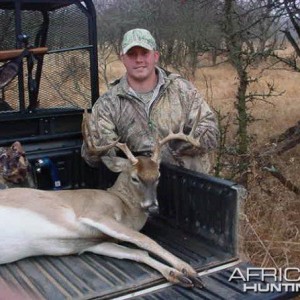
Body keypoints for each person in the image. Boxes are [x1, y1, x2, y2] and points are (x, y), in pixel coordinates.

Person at [82, 28, 219, 173]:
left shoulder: (183, 90)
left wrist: (182, 144)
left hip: (186, 180)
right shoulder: (108, 103)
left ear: (155, 56)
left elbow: (211, 131)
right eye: (132, 54)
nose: (139, 59)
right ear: (122, 58)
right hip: (140, 185)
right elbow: (93, 158)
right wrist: (98, 150)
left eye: (144, 53)